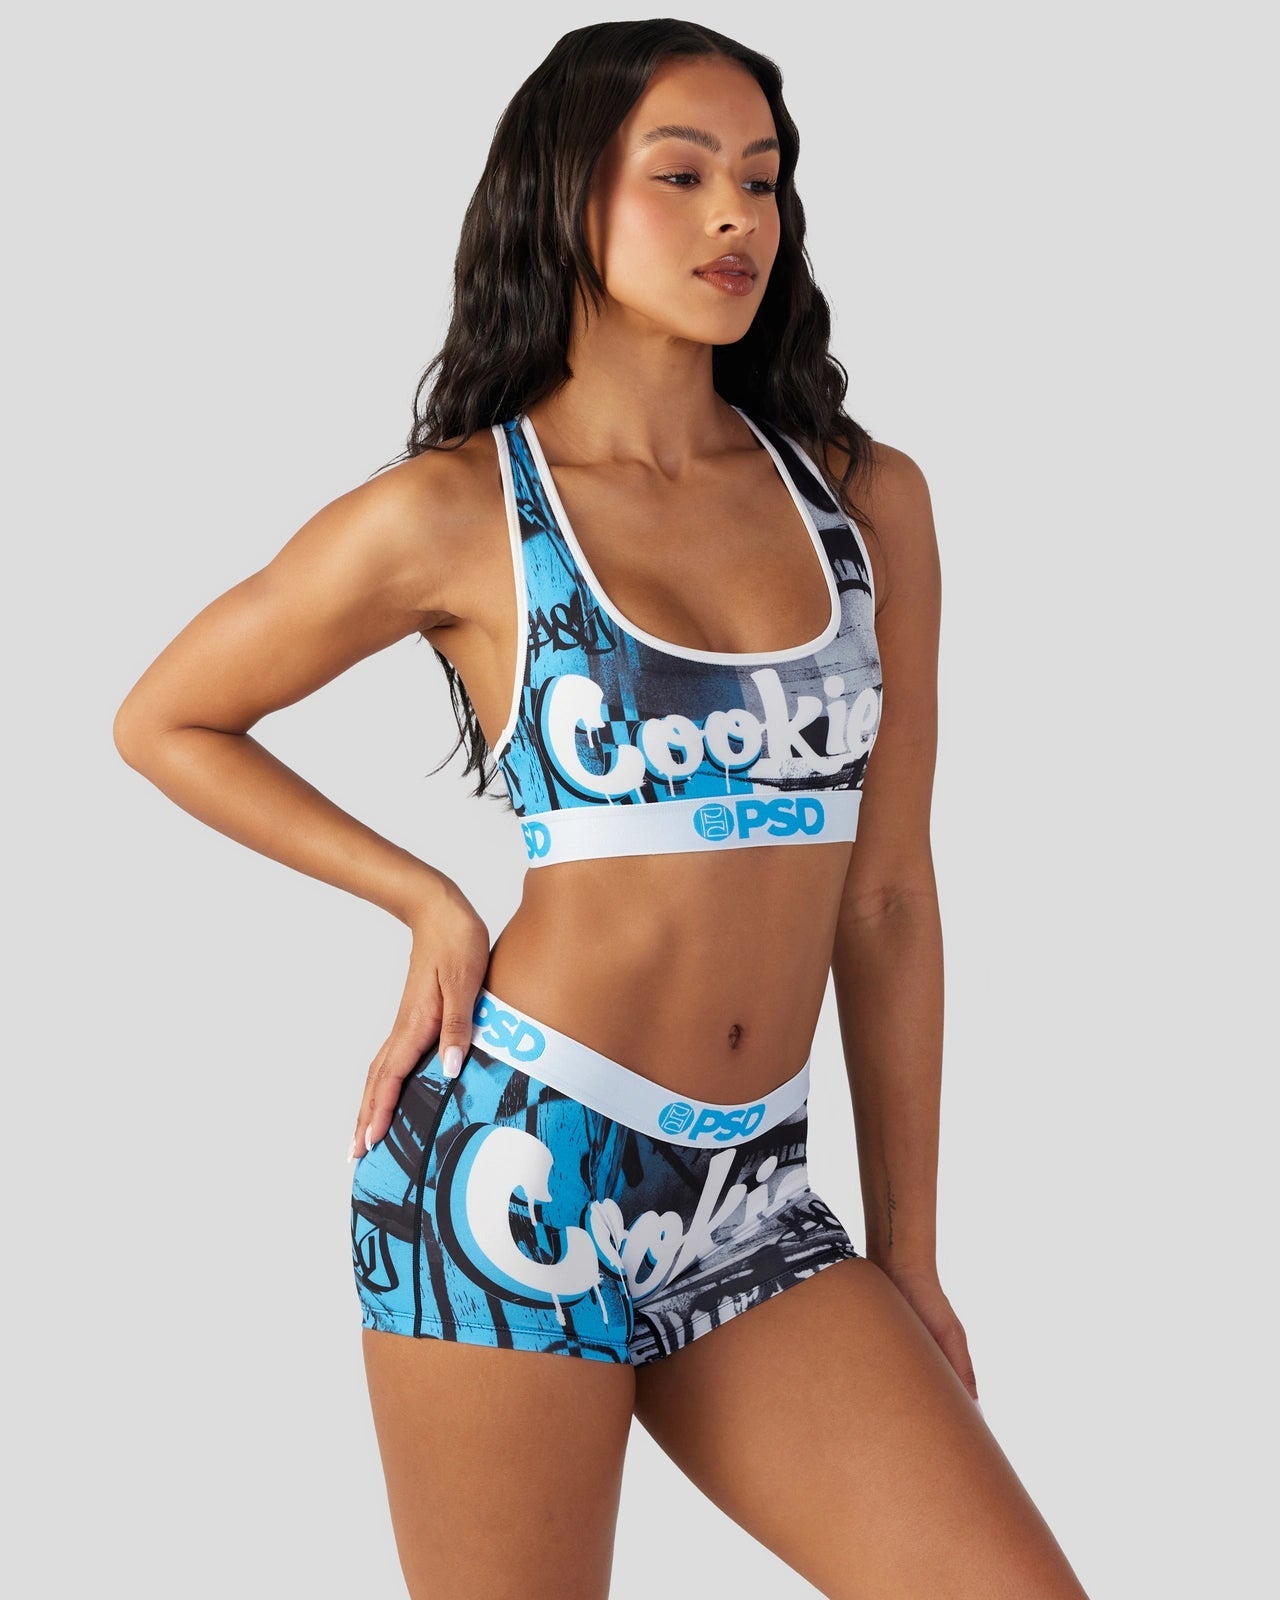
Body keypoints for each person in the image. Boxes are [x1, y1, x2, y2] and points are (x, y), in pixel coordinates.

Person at [113, 18, 1091, 1600]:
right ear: (566, 196)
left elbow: (888, 896)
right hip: (514, 1168)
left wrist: (908, 1251)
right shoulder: (461, 510)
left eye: (762, 180)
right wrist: (425, 899)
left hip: (756, 1202)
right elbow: (166, 718)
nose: (737, 216)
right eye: (683, 175)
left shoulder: (862, 500)